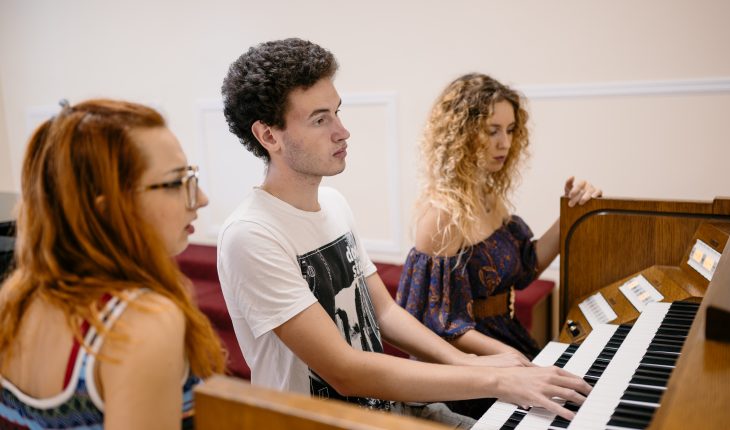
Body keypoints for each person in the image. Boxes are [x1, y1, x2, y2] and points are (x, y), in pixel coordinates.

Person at [218, 38, 591, 429]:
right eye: (319, 119)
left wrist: (465, 360)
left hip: (390, 408)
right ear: (269, 136)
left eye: (337, 112)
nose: (343, 131)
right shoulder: (251, 235)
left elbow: (385, 311)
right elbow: (344, 371)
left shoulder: (333, 204)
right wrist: (495, 379)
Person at [0, 99, 225, 429]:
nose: (201, 198)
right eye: (177, 182)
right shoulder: (141, 324)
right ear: (108, 210)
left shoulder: (14, 296)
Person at [395, 73, 602, 418]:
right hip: (468, 368)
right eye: (492, 131)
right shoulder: (442, 214)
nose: (504, 143)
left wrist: (572, 213)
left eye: (510, 130)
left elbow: (526, 267)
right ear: (461, 134)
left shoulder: (489, 195)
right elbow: (436, 327)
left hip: (506, 339)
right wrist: (512, 359)